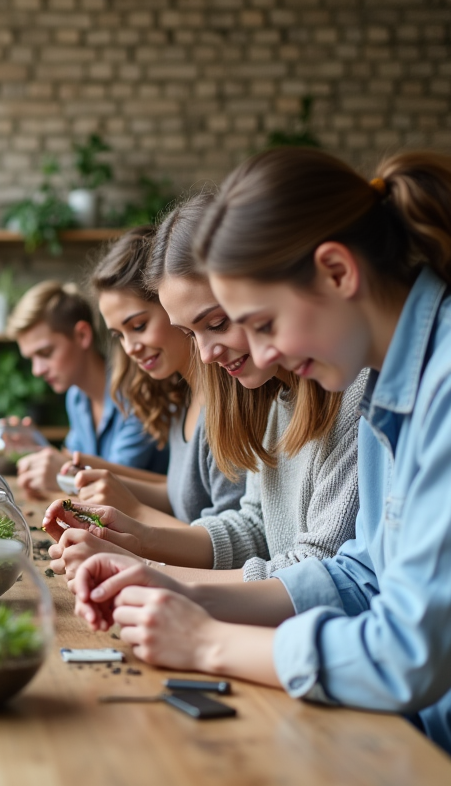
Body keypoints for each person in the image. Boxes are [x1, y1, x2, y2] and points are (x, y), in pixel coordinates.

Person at [74, 149, 451, 786]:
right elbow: (361, 575)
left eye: (262, 324)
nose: (262, 354)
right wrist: (181, 593)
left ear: (336, 270)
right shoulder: (397, 375)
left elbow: (409, 653)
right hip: (436, 749)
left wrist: (209, 644)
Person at [47, 195, 364, 583]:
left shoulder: (352, 398)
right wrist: (136, 537)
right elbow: (254, 527)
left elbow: (319, 575)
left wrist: (149, 569)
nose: (206, 355)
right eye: (189, 333)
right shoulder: (276, 398)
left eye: (217, 323)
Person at [66, 225, 244, 527]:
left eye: (137, 326)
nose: (130, 348)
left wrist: (132, 516)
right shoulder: (182, 396)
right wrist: (100, 474)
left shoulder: (227, 402)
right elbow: (178, 496)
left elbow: (232, 534)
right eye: (118, 336)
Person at [9, 274, 168, 500]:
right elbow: (74, 460)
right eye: (31, 359)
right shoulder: (76, 397)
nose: (37, 370)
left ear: (82, 335)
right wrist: (36, 449)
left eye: (45, 353)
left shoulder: (136, 393)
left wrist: (59, 472)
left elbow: (108, 488)